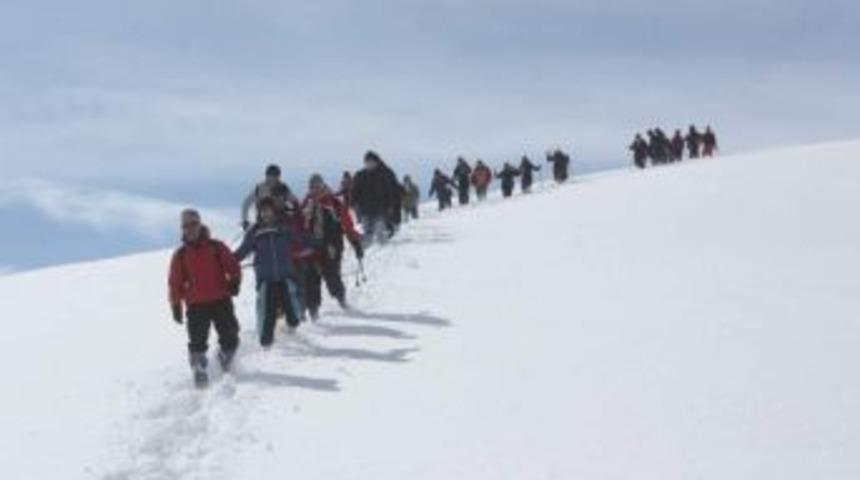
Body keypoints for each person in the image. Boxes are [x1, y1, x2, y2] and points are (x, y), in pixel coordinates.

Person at [168, 209, 242, 388]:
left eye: (193, 224)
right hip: (196, 306)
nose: (190, 229)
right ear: (182, 229)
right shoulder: (181, 255)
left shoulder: (216, 247)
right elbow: (175, 282)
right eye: (186, 226)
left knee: (230, 336)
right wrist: (176, 305)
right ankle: (199, 371)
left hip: (221, 300)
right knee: (197, 343)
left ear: (200, 225)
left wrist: (235, 281)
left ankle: (225, 360)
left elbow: (232, 265)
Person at [235, 197, 304, 347]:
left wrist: (315, 243)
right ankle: (266, 345)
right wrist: (230, 262)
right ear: (259, 212)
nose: (266, 213)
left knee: (293, 314)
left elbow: (300, 239)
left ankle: (291, 328)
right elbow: (243, 250)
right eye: (262, 210)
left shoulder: (283, 227)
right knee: (268, 313)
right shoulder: (255, 231)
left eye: (268, 210)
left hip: (285, 276)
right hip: (266, 279)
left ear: (273, 211)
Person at [301, 174, 364, 320]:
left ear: (323, 185)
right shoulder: (305, 204)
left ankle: (342, 299)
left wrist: (355, 243)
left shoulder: (334, 203)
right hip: (311, 249)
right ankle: (314, 312)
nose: (315, 189)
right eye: (312, 187)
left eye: (318, 186)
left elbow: (347, 225)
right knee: (311, 281)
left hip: (331, 248)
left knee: (332, 277)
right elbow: (298, 227)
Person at [351, 151, 401, 245]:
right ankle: (363, 253)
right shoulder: (360, 175)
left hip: (380, 211)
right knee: (367, 233)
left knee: (379, 233)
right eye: (366, 162)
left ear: (376, 162)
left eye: (371, 162)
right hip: (365, 210)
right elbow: (355, 191)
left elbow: (392, 192)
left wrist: (391, 207)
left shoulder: (384, 174)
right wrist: (353, 202)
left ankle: (384, 251)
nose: (368, 164)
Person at [240, 164, 297, 230]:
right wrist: (245, 220)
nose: (272, 179)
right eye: (270, 176)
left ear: (278, 177)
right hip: (262, 222)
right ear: (266, 176)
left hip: (281, 222)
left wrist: (292, 212)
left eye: (275, 176)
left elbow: (295, 202)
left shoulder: (284, 188)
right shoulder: (260, 188)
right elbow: (246, 203)